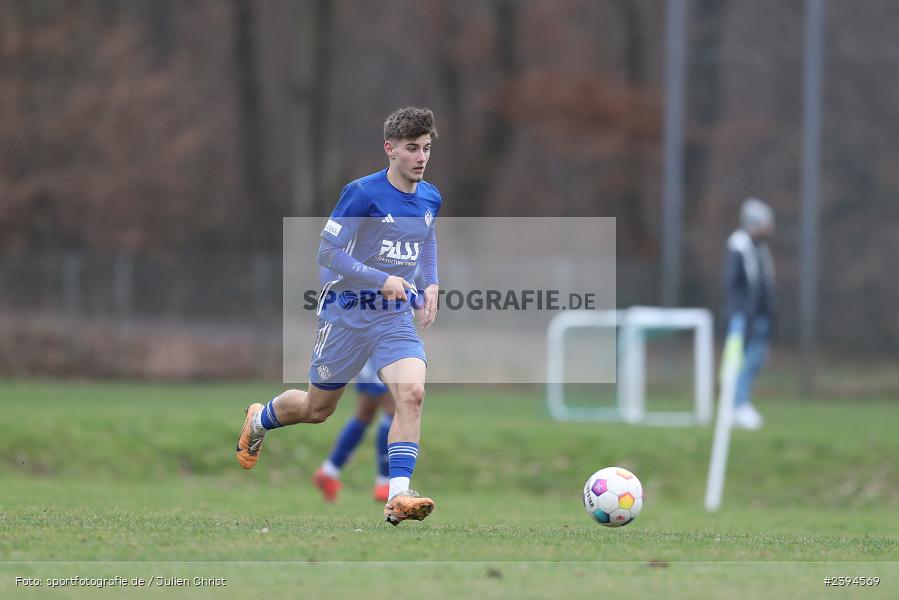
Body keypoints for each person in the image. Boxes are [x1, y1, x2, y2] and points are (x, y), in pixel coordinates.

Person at [236, 106, 441, 525]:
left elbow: (427, 237)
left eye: (426, 148)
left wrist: (432, 283)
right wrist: (379, 277)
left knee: (412, 395)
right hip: (346, 315)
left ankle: (398, 497)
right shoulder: (361, 193)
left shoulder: (430, 197)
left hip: (393, 319)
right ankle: (259, 419)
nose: (421, 157)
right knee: (317, 410)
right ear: (390, 149)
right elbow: (327, 253)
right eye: (411, 149)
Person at [723, 197, 776, 430]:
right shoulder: (739, 247)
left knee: (755, 361)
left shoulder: (760, 249)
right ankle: (738, 405)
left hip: (760, 317)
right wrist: (742, 314)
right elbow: (734, 285)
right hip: (745, 318)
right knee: (741, 362)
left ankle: (739, 404)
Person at [312, 358, 395, 503]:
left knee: (365, 412)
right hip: (379, 348)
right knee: (394, 409)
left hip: (368, 350)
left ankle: (329, 471)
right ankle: (385, 482)